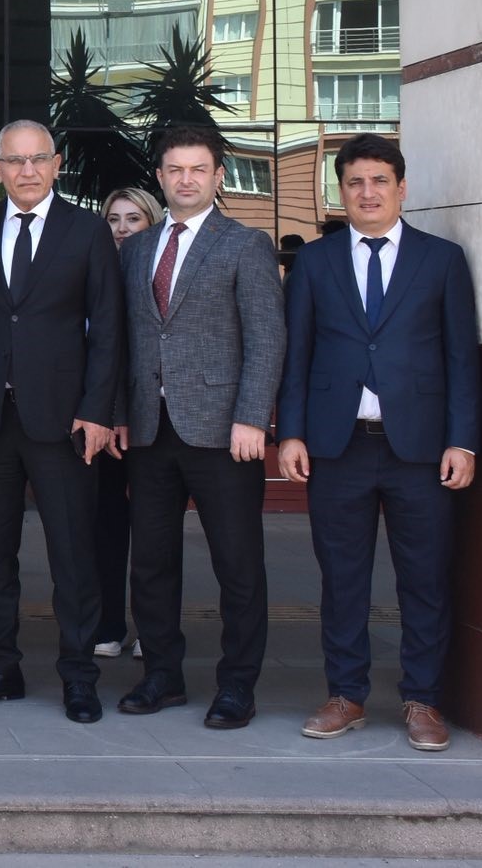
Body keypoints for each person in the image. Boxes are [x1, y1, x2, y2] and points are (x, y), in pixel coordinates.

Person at [279, 134, 481, 753]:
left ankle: (423, 699)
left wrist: (463, 441)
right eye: (354, 183)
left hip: (419, 450)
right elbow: (298, 355)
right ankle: (347, 694)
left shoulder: (441, 260)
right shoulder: (315, 262)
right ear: (339, 192)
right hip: (337, 447)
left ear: (401, 188)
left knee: (423, 579)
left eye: (378, 181)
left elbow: (461, 358)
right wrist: (290, 432)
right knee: (342, 579)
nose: (367, 193)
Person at [0, 121, 123, 725]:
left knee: (72, 554)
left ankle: (79, 674)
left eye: (38, 160)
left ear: (57, 165)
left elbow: (109, 328)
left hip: (66, 423)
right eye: (14, 161)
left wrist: (98, 410)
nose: (26, 171)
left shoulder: (88, 231)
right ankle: (0, 668)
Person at [115, 126, 285, 730]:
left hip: (222, 432)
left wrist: (251, 418)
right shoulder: (135, 250)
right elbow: (126, 341)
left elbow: (267, 338)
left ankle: (238, 686)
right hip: (148, 430)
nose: (185, 179)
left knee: (237, 564)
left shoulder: (245, 245)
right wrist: (118, 417)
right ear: (160, 177)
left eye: (198, 169)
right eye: (174, 169)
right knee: (152, 563)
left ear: (218, 176)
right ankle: (161, 675)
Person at [94, 185, 163, 660]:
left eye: (132, 219)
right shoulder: (94, 271)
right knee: (107, 524)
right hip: (104, 419)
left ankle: (152, 627)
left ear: (152, 223)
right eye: (113, 219)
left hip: (152, 418)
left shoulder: (155, 273)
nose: (121, 228)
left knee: (153, 529)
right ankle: (109, 623)